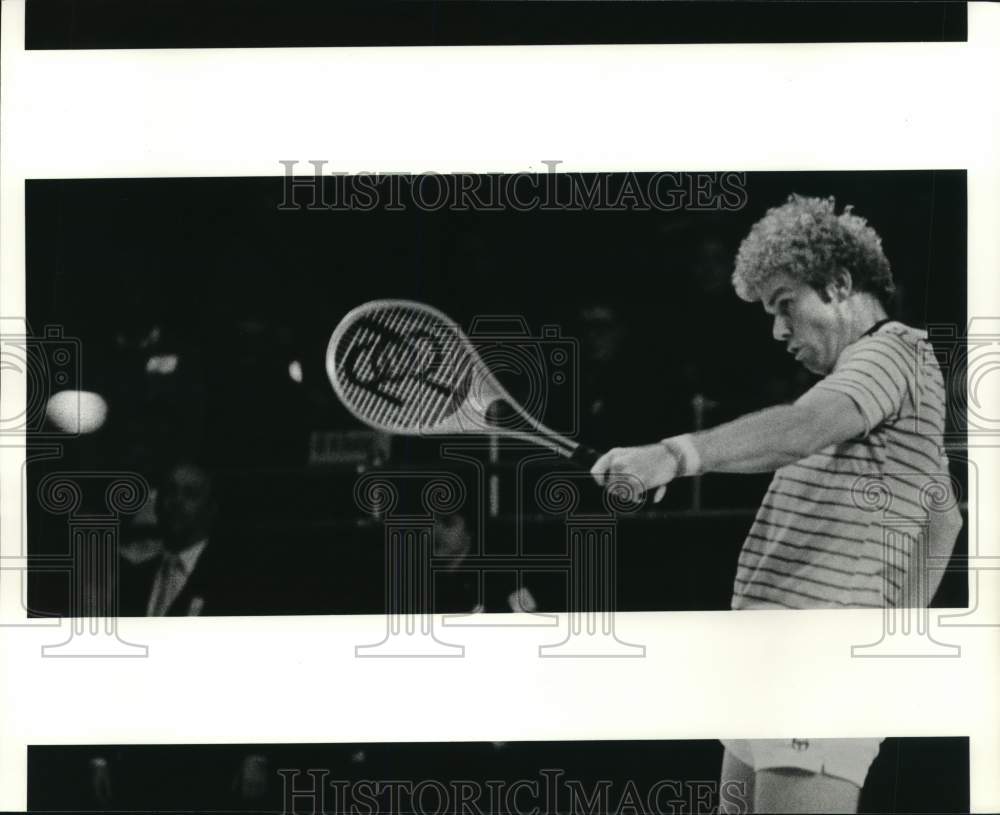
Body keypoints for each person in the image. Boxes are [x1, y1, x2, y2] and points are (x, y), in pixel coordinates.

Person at [591, 195, 963, 814]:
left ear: (840, 285)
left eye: (786, 305)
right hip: (769, 665)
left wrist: (675, 453)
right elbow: (945, 515)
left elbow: (798, 428)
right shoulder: (871, 387)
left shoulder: (890, 352)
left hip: (813, 668)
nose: (777, 331)